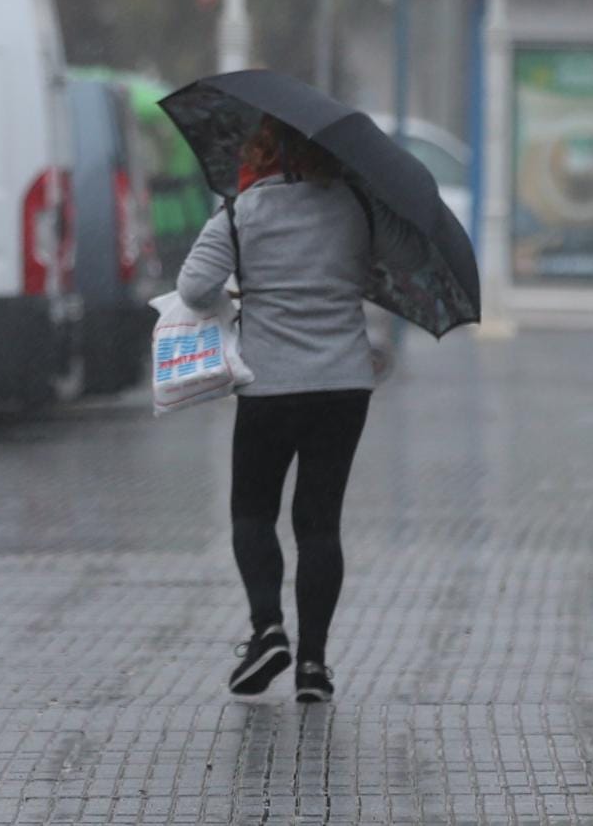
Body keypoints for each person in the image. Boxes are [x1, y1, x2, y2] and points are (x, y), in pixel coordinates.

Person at [177, 114, 422, 702]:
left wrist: (241, 289)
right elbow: (409, 258)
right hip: (342, 386)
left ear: (260, 151)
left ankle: (268, 629)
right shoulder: (355, 207)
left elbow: (191, 288)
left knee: (253, 514)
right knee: (319, 523)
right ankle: (313, 665)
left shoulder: (241, 213)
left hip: (268, 387)